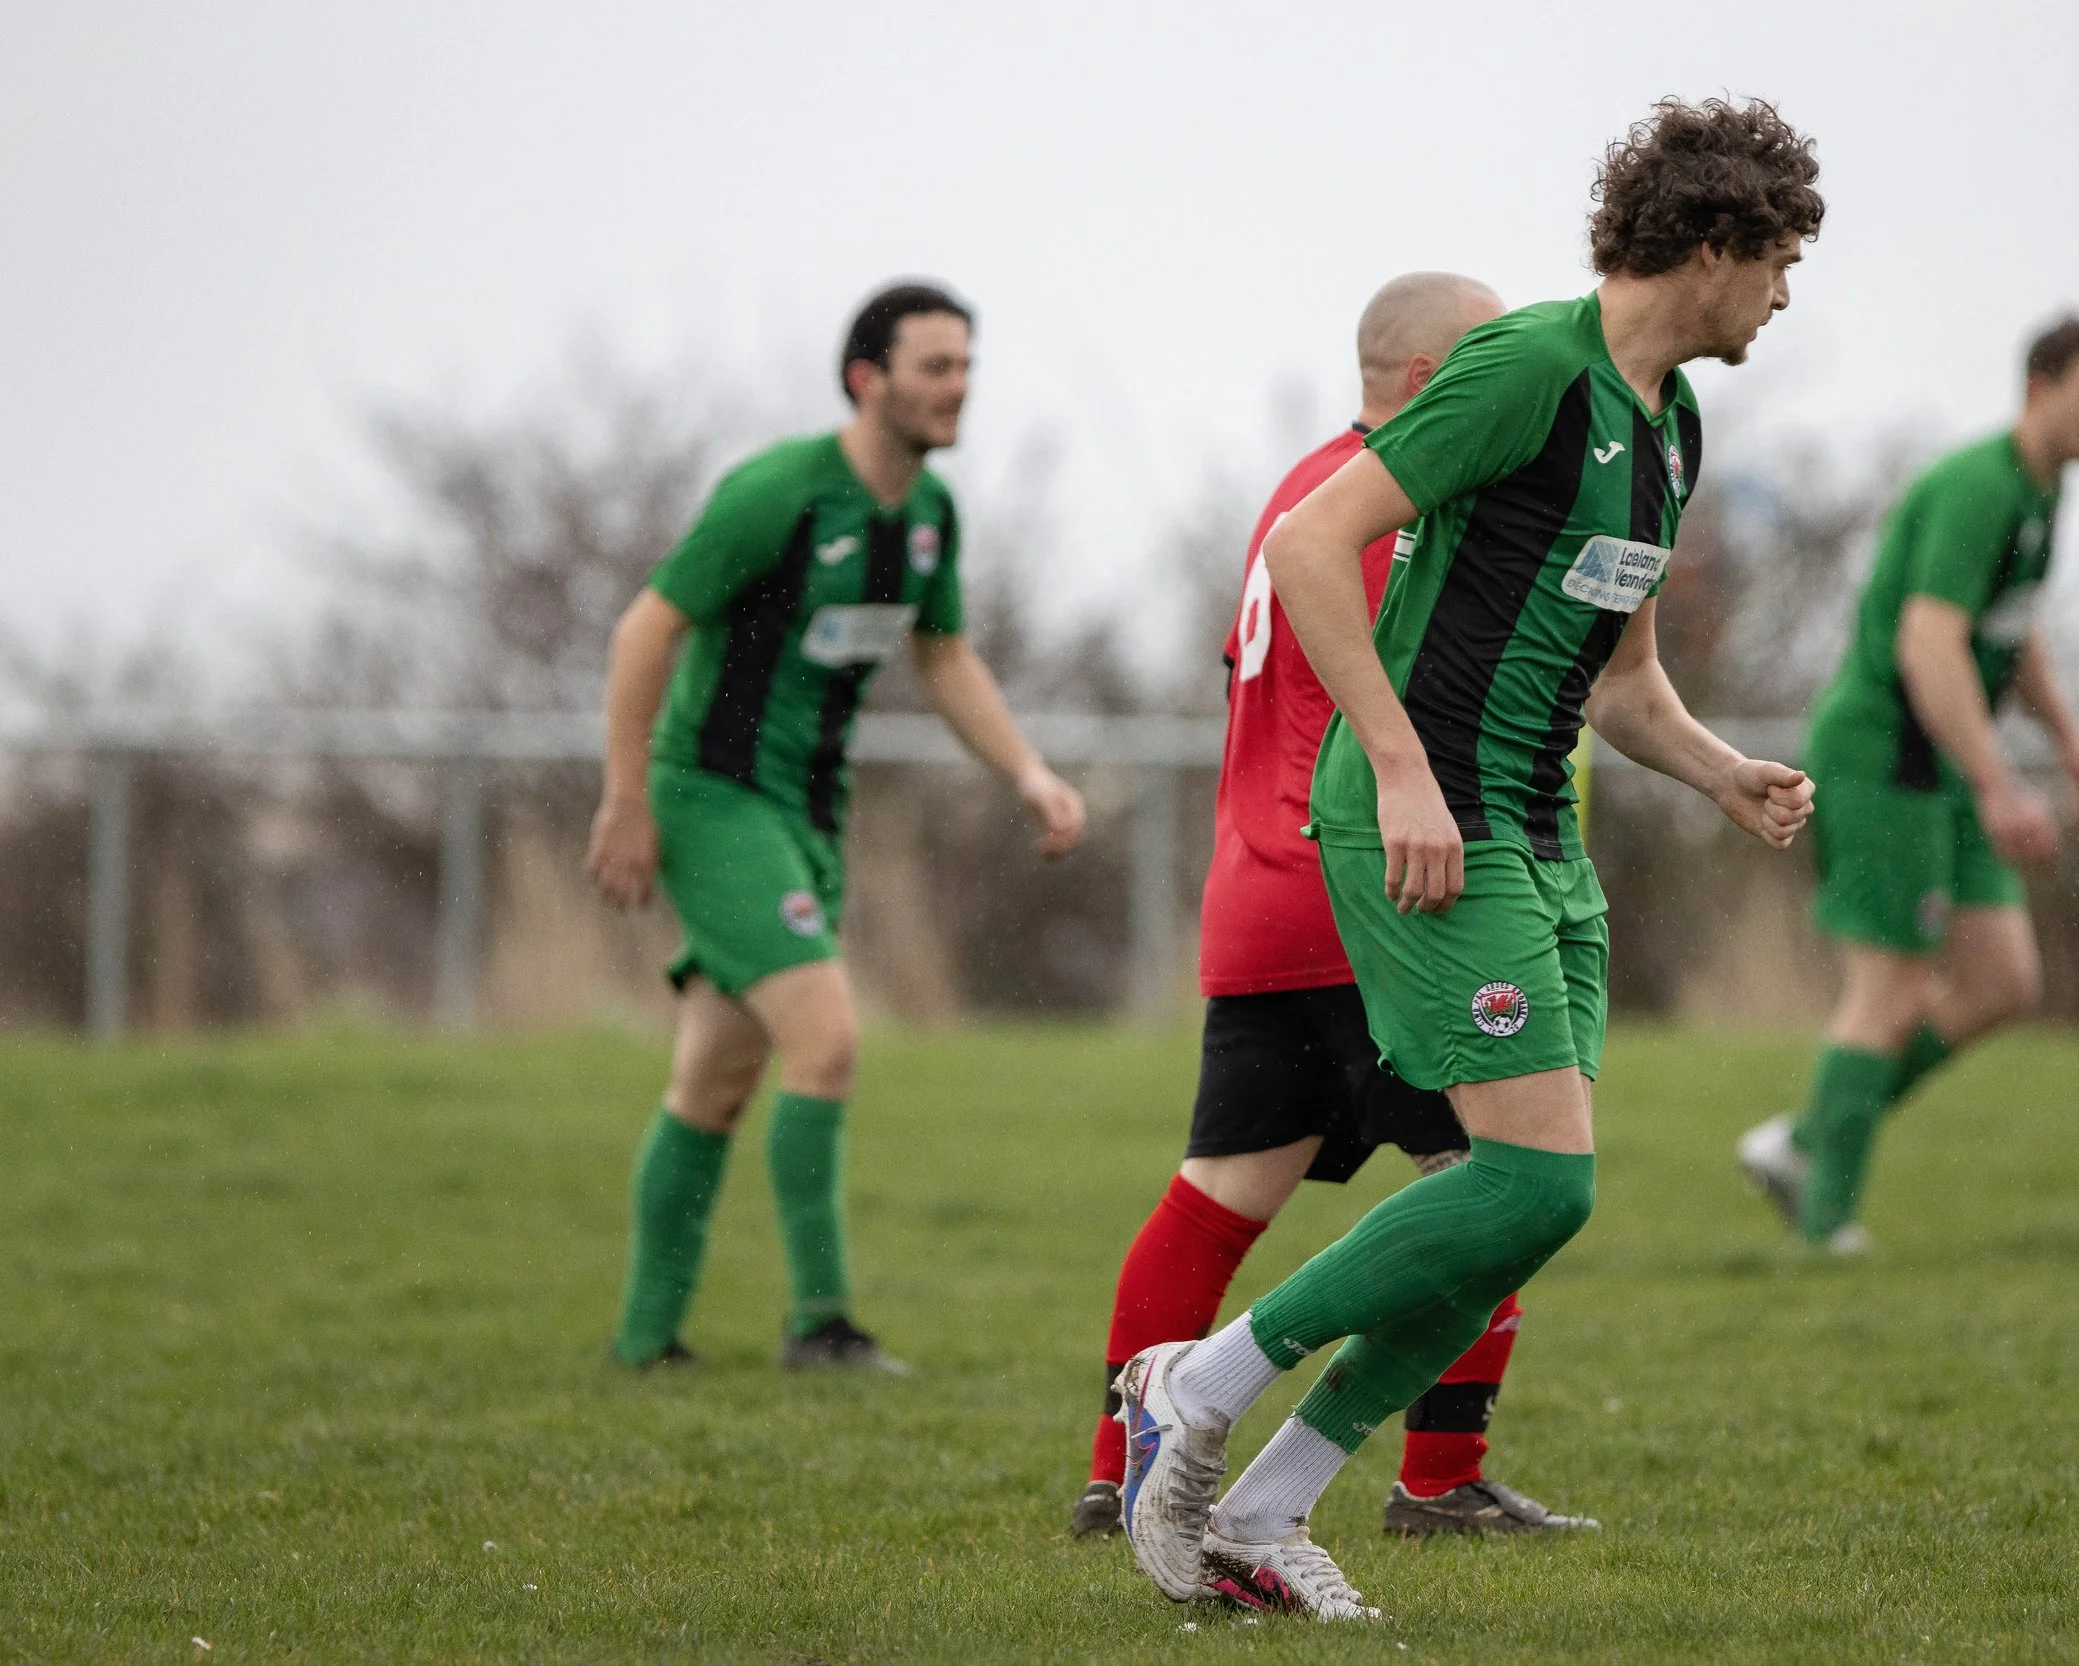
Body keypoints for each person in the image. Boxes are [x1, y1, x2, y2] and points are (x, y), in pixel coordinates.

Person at [1117, 97, 1823, 1619]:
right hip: (1433, 828)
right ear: (1711, 247)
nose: (1783, 298)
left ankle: (1264, 1502)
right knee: (1521, 1180)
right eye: (1777, 263)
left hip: (1541, 840)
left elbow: (1624, 683)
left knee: (1538, 1197)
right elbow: (1313, 541)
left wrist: (1720, 774)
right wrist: (1396, 764)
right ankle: (1197, 1382)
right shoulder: (1528, 369)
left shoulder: (1669, 425)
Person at [1072, 273, 1597, 1544]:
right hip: (1377, 886)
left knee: (1217, 1194)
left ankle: (1114, 1470)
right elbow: (1416, 688)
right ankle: (1435, 1478)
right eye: (1490, 368)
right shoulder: (1399, 508)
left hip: (1254, 891)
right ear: (1428, 383)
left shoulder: (1294, 486)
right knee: (1502, 1179)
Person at [585, 281, 1086, 1372]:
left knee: (715, 1075)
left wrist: (1028, 772)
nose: (957, 387)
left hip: (811, 811)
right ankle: (821, 1325)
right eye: (934, 367)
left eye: (966, 366)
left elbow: (943, 654)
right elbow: (644, 627)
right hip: (714, 799)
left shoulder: (927, 518)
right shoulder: (780, 495)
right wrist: (626, 798)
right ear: (868, 379)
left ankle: (642, 1345)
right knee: (829, 1037)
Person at [1738, 316, 2079, 1251]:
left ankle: (1803, 1141)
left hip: (1948, 765)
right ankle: (1825, 1225)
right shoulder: (1977, 487)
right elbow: (1929, 642)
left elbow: (2013, 628)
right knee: (1893, 987)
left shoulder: (2041, 495)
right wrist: (2002, 786)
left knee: (2001, 980)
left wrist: (2073, 744)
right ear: (2040, 389)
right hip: (1886, 757)